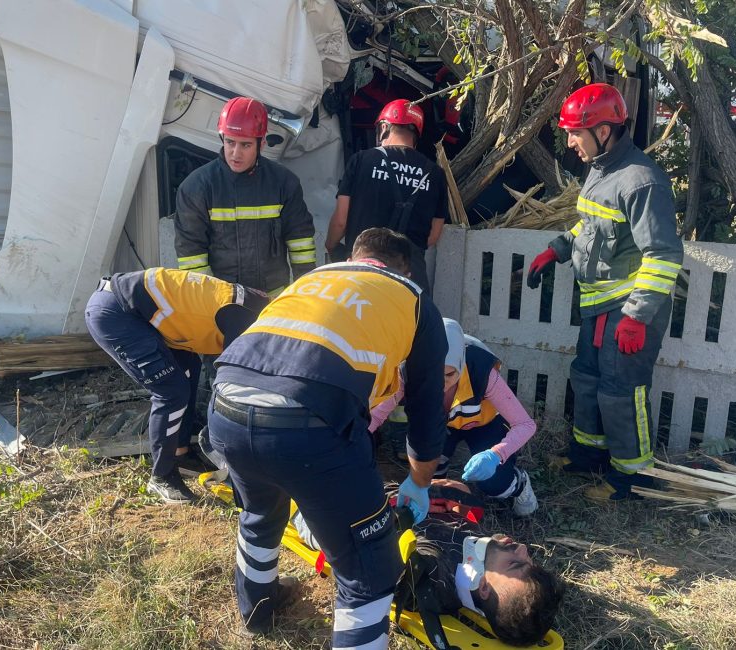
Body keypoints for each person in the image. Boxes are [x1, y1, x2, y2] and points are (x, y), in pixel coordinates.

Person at [208, 227, 448, 646]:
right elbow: (427, 404)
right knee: (369, 568)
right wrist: (420, 480)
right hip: (307, 427)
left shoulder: (313, 280)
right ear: (404, 268)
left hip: (225, 405)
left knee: (261, 513)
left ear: (355, 256)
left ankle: (257, 611)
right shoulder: (411, 298)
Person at [525, 83, 684, 501]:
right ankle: (588, 458)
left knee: (620, 393)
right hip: (598, 305)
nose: (569, 141)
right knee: (588, 379)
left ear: (606, 130)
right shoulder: (600, 170)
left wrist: (636, 315)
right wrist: (558, 248)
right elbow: (593, 226)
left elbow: (664, 254)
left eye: (576, 132)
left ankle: (632, 480)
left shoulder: (641, 181)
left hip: (627, 310)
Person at [291, 480, 565, 648]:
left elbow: (363, 545)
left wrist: (408, 504)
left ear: (482, 587)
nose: (522, 548)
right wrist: (449, 498)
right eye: (529, 559)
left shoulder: (425, 577)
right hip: (365, 493)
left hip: (333, 519)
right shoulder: (469, 556)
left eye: (514, 565)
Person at [84, 268, 268, 504]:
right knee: (172, 391)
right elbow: (234, 385)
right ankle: (162, 476)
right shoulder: (247, 323)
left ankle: (180, 453)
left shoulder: (262, 307)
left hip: (152, 314)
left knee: (189, 370)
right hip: (117, 312)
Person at [370, 319, 539, 516]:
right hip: (440, 424)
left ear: (461, 363)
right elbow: (374, 416)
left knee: (495, 484)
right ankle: (442, 504)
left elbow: (526, 424)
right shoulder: (406, 372)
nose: (437, 384)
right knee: (426, 475)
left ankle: (519, 483)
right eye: (428, 374)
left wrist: (495, 454)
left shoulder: (481, 371)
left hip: (483, 424)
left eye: (448, 374)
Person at [174, 96, 317, 295]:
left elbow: (301, 242)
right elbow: (191, 255)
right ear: (222, 138)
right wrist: (207, 300)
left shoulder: (284, 183)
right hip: (222, 301)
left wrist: (307, 293)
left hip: (272, 301)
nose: (235, 153)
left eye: (246, 145)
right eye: (230, 142)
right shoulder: (195, 188)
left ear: (262, 144)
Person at [324, 99, 449, 293]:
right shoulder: (435, 174)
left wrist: (331, 246)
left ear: (384, 128)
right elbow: (433, 235)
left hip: (362, 268)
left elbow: (341, 220)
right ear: (416, 134)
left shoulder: (361, 160)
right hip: (409, 275)